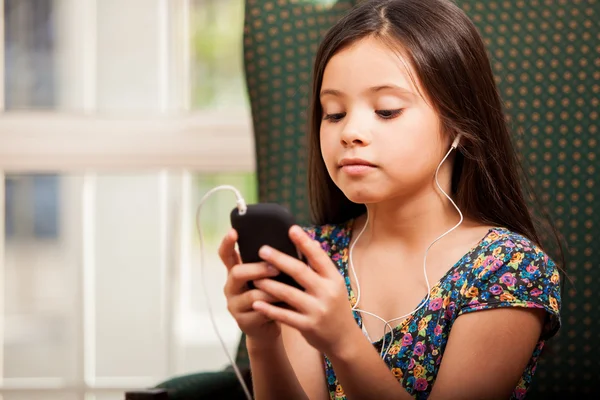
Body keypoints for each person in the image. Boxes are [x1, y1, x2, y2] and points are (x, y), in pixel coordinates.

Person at [218, 0, 562, 398]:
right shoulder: (311, 257)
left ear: (458, 126)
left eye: (386, 110)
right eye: (333, 113)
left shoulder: (507, 268)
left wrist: (342, 340)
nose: (351, 132)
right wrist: (263, 340)